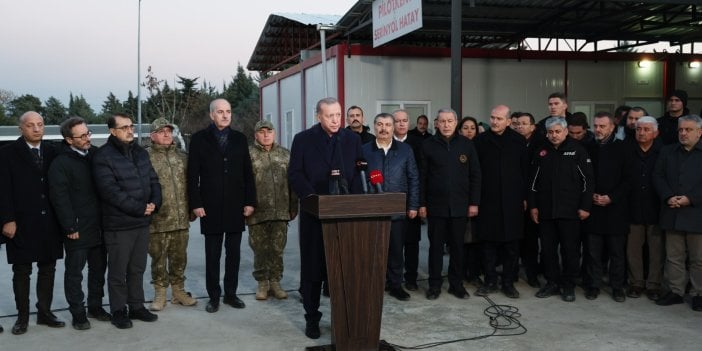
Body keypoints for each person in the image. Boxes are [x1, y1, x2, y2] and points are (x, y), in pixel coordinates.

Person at [288, 97, 363, 339]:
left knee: (342, 269)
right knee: (313, 268)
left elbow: (359, 171)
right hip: (314, 213)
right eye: (330, 115)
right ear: (318, 116)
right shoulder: (303, 139)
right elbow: (295, 174)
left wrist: (357, 202)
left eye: (338, 115)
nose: (335, 120)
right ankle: (312, 318)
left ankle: (344, 318)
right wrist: (312, 197)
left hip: (346, 215)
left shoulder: (351, 139)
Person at [93, 113, 161, 329]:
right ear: (112, 131)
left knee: (137, 268)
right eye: (124, 127)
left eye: (131, 126)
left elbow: (153, 180)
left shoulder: (140, 152)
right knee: (118, 271)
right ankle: (119, 310)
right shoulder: (103, 156)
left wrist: (154, 203)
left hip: (142, 222)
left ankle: (137, 306)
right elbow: (110, 191)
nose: (130, 130)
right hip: (119, 225)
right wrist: (140, 208)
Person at [188, 98, 256, 313]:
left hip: (236, 205)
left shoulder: (239, 139)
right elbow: (192, 175)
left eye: (228, 111)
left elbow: (247, 173)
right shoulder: (199, 139)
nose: (225, 115)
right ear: (211, 115)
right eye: (220, 112)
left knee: (234, 253)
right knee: (213, 254)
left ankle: (231, 294)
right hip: (210, 205)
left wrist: (249, 201)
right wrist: (196, 203)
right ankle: (214, 296)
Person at [0, 111, 65, 335]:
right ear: (21, 129)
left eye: (40, 124)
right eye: (30, 125)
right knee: (22, 271)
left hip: (49, 223)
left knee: (48, 268)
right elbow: (3, 190)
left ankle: (45, 313)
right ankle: (22, 317)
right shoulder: (7, 154)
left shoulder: (53, 151)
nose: (37, 129)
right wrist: (7, 219)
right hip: (20, 223)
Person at [48, 116, 110, 330]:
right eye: (82, 136)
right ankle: (78, 313)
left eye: (88, 133)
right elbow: (59, 197)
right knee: (75, 273)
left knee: (98, 270)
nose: (87, 138)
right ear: (68, 139)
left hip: (99, 226)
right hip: (77, 229)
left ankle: (95, 306)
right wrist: (70, 226)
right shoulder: (61, 164)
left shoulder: (95, 155)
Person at [529, 117, 594, 302]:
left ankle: (568, 285)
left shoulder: (578, 151)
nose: (554, 135)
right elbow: (532, 182)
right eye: (550, 132)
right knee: (548, 251)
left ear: (565, 131)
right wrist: (533, 206)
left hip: (571, 212)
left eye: (557, 131)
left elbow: (588, 181)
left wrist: (585, 206)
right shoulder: (541, 152)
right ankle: (552, 283)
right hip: (546, 212)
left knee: (570, 251)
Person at [419, 108, 481, 300]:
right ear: (436, 123)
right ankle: (434, 285)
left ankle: (456, 284)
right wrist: (421, 203)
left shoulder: (466, 145)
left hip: (460, 206)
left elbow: (475, 176)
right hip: (435, 207)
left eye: (450, 121)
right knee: (436, 248)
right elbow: (422, 178)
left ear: (456, 123)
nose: (446, 125)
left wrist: (474, 203)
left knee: (457, 248)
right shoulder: (427, 145)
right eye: (442, 121)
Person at [473, 105, 529, 299]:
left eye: (499, 118)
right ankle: (490, 281)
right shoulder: (480, 141)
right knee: (488, 244)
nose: (494, 122)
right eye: (492, 117)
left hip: (512, 201)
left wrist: (524, 197)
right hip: (488, 201)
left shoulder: (519, 141)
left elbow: (525, 172)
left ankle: (507, 282)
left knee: (511, 246)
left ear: (508, 121)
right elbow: (475, 173)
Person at [363, 113, 419, 301]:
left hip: (397, 209)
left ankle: (396, 285)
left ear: (393, 127)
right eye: (380, 124)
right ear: (374, 126)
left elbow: (413, 178)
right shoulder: (364, 150)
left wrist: (412, 205)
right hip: (372, 210)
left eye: (388, 124)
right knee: (374, 250)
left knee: (396, 250)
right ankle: (374, 285)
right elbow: (358, 179)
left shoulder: (405, 150)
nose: (384, 128)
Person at [146, 118, 197, 311]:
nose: (167, 134)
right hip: (158, 219)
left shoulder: (183, 157)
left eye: (169, 131)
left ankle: (178, 291)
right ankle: (160, 293)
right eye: (161, 131)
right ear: (152, 136)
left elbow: (192, 185)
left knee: (179, 258)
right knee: (158, 258)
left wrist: (192, 207)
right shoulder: (145, 157)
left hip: (181, 218)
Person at [653, 114, 702, 312]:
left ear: (700, 132)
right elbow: (658, 175)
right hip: (672, 210)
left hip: (696, 213)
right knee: (674, 256)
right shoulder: (668, 151)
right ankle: (676, 291)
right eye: (681, 129)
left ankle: (699, 293)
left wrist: (691, 199)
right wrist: (668, 196)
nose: (683, 133)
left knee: (698, 258)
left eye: (688, 130)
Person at [247, 120, 298, 301]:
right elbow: (242, 183)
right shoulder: (248, 155)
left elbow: (293, 183)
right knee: (259, 249)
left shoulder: (285, 155)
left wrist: (293, 206)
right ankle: (262, 283)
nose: (266, 135)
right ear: (256, 135)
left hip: (280, 211)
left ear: (274, 133)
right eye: (262, 132)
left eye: (269, 131)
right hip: (257, 212)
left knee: (277, 249)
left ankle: (275, 282)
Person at [582, 112, 629, 302]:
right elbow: (582, 176)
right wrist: (590, 195)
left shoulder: (623, 149)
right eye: (596, 126)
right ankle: (593, 285)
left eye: (602, 126)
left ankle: (617, 287)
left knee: (616, 253)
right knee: (593, 252)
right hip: (593, 208)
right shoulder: (588, 147)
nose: (598, 130)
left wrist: (611, 197)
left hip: (615, 209)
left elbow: (628, 180)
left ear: (612, 128)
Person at [625, 116, 664, 300]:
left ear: (655, 133)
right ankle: (636, 283)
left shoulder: (663, 152)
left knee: (656, 250)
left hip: (656, 208)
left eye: (646, 129)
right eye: (639, 129)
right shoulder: (626, 150)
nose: (641, 132)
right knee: (633, 249)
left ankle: (654, 285)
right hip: (632, 207)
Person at [512, 112, 545, 287]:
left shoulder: (541, 144)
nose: (520, 126)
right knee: (514, 237)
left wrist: (529, 198)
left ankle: (532, 273)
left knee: (531, 240)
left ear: (533, 126)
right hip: (514, 198)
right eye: (517, 124)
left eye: (524, 123)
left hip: (533, 197)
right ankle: (513, 272)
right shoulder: (511, 142)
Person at [392, 109, 424, 291]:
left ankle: (411, 278)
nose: (402, 124)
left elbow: (420, 176)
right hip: (392, 201)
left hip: (412, 200)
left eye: (405, 120)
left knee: (412, 243)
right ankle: (392, 278)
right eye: (398, 121)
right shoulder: (385, 143)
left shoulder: (418, 143)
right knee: (393, 243)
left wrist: (418, 203)